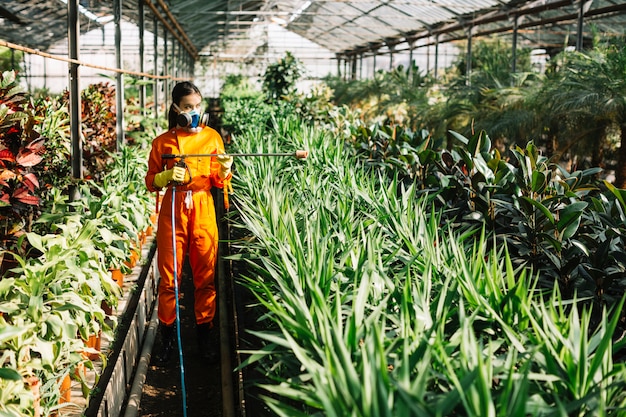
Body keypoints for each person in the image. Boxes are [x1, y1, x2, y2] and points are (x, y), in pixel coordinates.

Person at [145, 81, 233, 364]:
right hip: (173, 209)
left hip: (203, 207)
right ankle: (167, 337)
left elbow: (220, 182)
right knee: (169, 279)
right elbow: (150, 181)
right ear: (176, 109)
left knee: (206, 276)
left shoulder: (212, 138)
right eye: (187, 107)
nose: (194, 112)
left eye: (197, 107)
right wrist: (164, 178)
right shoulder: (163, 142)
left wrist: (224, 169)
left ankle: (205, 336)